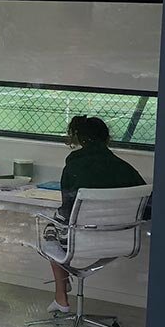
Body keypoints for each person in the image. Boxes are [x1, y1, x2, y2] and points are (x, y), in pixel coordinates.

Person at [46, 115, 145, 314]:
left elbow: (68, 208)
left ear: (79, 139)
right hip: (121, 241)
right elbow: (147, 205)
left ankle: (61, 295)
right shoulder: (125, 168)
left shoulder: (74, 167)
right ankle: (63, 286)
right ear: (107, 138)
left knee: (50, 228)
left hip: (79, 242)